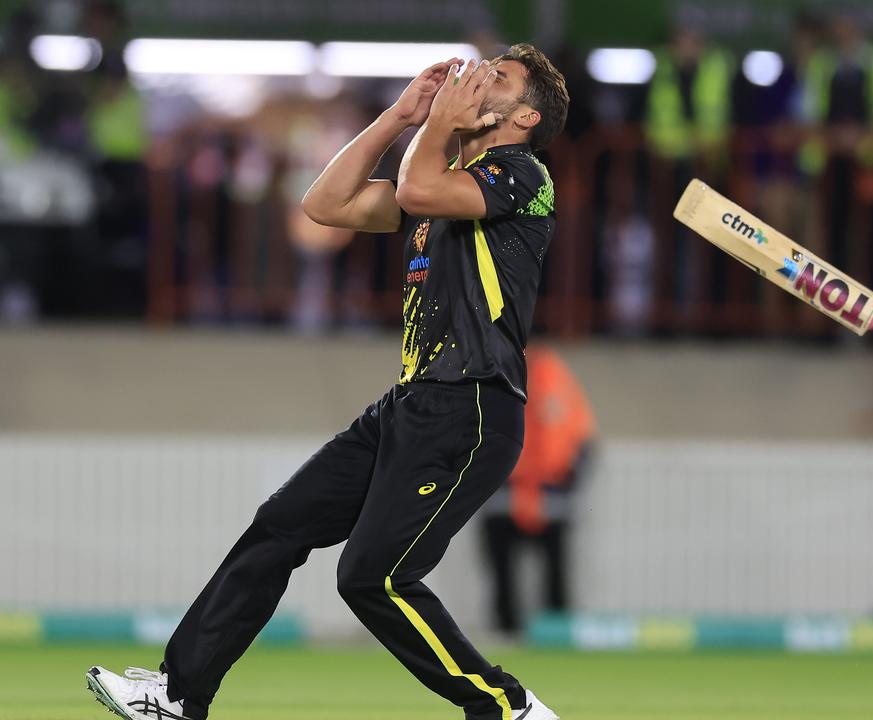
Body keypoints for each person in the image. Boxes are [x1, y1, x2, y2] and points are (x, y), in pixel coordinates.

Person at [86, 43, 569, 720]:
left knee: (375, 577)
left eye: (496, 77)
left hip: (472, 404)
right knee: (279, 524)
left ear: (522, 116)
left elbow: (418, 188)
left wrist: (432, 130)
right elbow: (326, 203)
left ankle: (508, 708)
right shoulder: (441, 183)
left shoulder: (523, 171)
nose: (475, 77)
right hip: (413, 402)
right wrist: (401, 116)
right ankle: (178, 695)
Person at [481, 345, 595, 636]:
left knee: (551, 573)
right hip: (509, 497)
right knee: (506, 574)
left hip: (543, 496)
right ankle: (513, 631)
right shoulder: (502, 373)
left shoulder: (549, 376)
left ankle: (554, 632)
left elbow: (582, 442)